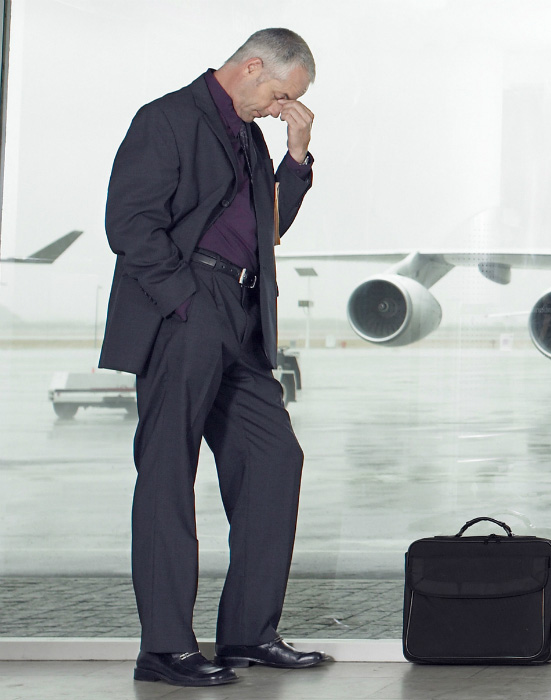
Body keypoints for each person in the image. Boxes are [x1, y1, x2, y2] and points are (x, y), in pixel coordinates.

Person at [99, 28, 329, 687]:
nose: (279, 106)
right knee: (169, 473)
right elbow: (130, 223)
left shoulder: (250, 134)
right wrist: (183, 302)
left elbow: (268, 228)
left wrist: (296, 155)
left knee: (274, 457)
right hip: (188, 306)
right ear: (252, 66)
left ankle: (249, 635)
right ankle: (164, 647)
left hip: (242, 314)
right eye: (279, 95)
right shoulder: (168, 118)